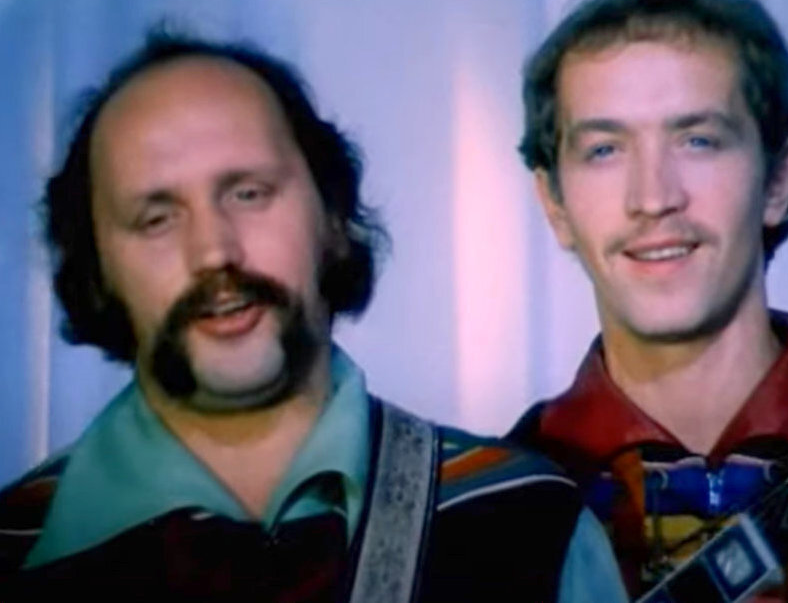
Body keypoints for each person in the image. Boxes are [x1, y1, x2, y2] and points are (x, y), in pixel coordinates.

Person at [0, 31, 627, 602]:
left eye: (248, 193)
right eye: (156, 218)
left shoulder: (532, 527)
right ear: (97, 270)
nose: (214, 251)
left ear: (332, 217)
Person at [509, 0, 788, 602]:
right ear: (554, 203)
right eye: (605, 150)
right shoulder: (495, 505)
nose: (653, 198)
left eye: (698, 140)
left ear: (777, 180)